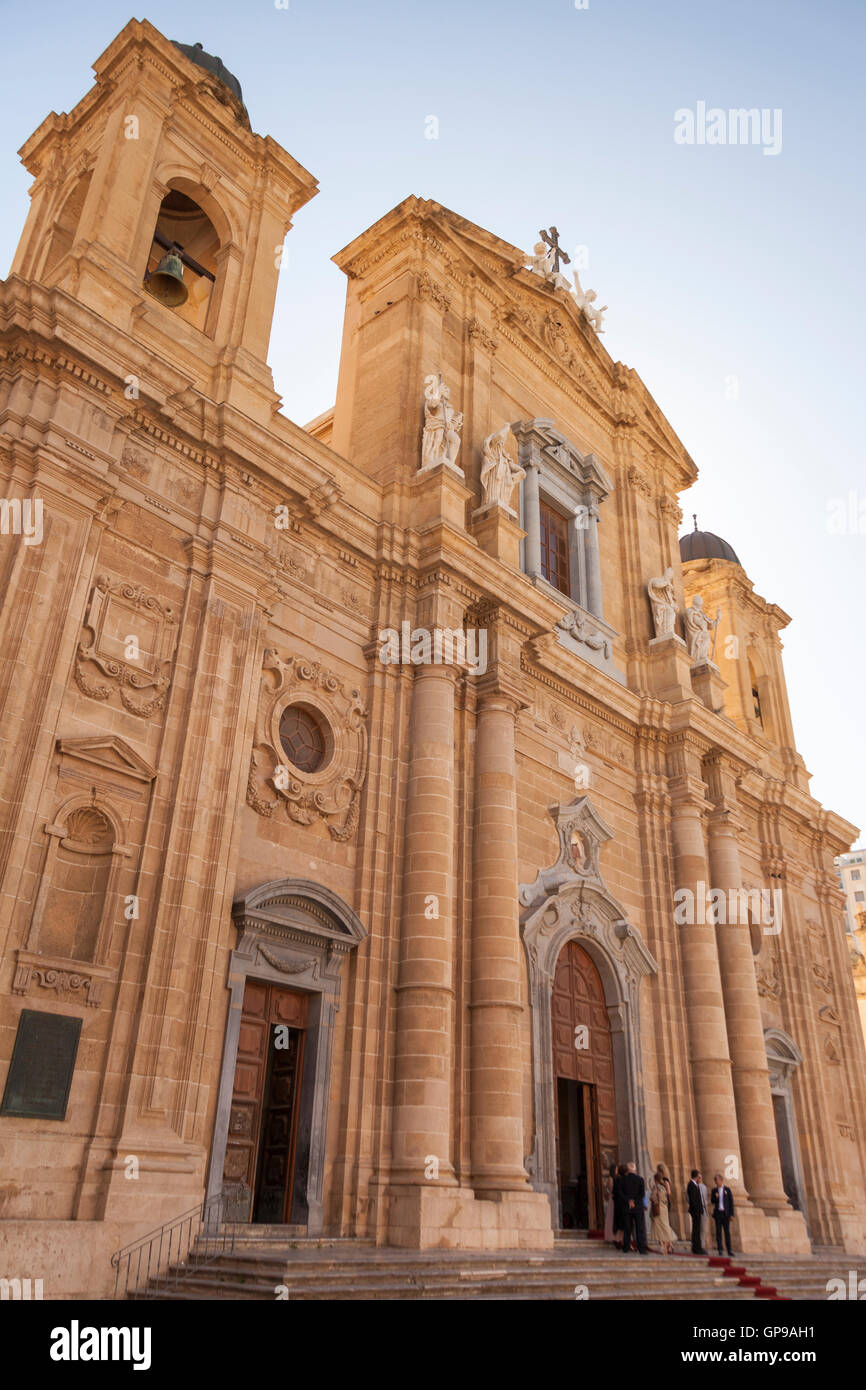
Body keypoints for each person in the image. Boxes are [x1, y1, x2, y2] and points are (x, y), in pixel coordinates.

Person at [649, 1162, 678, 1254]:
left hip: (658, 1208)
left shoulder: (657, 1186)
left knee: (659, 1227)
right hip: (664, 1206)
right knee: (665, 1225)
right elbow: (668, 1193)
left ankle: (664, 1246)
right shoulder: (664, 1185)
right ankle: (669, 1245)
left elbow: (653, 1197)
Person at [620, 1161, 648, 1253]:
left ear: (628, 1169)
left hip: (627, 1206)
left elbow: (621, 1193)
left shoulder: (622, 1180)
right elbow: (642, 1193)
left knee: (627, 1228)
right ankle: (642, 1248)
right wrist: (635, 1201)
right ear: (635, 1169)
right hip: (638, 1207)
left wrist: (629, 1200)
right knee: (640, 1228)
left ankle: (626, 1247)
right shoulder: (640, 1179)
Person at [710, 1172, 735, 1256]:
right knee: (718, 1232)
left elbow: (731, 1202)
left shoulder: (727, 1190)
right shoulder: (714, 1190)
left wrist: (732, 1214)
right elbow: (712, 1201)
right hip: (718, 1213)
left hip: (726, 1214)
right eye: (715, 1181)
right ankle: (720, 1249)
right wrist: (716, 1197)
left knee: (727, 1232)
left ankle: (729, 1250)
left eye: (716, 1180)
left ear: (721, 1180)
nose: (716, 1182)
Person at [686, 1169, 709, 1254]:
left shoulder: (695, 1185)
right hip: (696, 1212)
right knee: (696, 1230)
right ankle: (697, 1248)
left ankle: (697, 1247)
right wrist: (696, 1210)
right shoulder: (691, 1185)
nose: (700, 1179)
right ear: (696, 1177)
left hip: (698, 1211)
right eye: (699, 1177)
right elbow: (693, 1200)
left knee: (697, 1230)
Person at [612, 1163, 628, 1249]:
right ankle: (619, 1240)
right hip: (623, 1204)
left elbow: (614, 1192)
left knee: (618, 1223)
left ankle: (617, 1239)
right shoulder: (624, 1180)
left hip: (617, 1204)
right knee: (622, 1223)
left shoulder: (616, 1179)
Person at [603, 1162, 618, 1245]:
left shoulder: (615, 1178)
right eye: (616, 1169)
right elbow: (611, 1189)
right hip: (613, 1199)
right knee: (611, 1217)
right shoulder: (611, 1179)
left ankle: (615, 1236)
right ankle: (611, 1236)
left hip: (615, 1199)